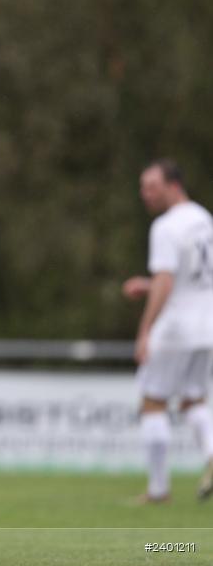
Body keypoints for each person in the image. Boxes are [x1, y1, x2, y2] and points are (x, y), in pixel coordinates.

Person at [122, 158, 213, 503]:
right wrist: (149, 284)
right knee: (193, 400)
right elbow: (195, 278)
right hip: (207, 325)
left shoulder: (166, 227)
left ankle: (158, 490)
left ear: (173, 185)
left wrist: (145, 330)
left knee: (153, 402)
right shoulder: (204, 219)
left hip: (175, 327)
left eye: (152, 187)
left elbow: (167, 278)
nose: (145, 194)